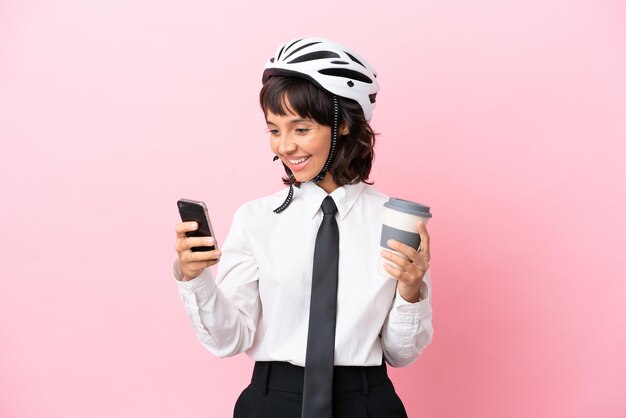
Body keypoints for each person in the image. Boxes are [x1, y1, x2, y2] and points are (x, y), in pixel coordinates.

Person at [173, 37, 433, 418]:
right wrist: (194, 278)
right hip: (272, 402)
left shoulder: (394, 220)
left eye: (300, 128)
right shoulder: (255, 219)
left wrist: (411, 291)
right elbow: (230, 340)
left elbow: (400, 353)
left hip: (366, 402)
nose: (284, 146)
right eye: (274, 130)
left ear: (343, 124)